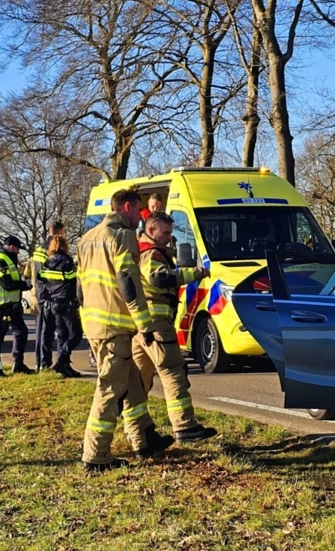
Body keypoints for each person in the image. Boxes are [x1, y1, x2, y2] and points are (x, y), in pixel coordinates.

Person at [77, 188, 174, 471]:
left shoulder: (87, 238)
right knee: (110, 389)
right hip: (115, 326)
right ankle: (96, 455)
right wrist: (145, 326)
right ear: (127, 207)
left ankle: (144, 437)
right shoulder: (122, 235)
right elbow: (128, 284)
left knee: (132, 384)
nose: (141, 218)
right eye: (138, 211)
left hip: (94, 325)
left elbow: (80, 289)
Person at [129, 211, 218, 444]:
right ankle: (185, 426)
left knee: (140, 380)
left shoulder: (138, 250)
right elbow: (159, 279)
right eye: (166, 232)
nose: (170, 237)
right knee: (173, 371)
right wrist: (196, 273)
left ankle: (137, 432)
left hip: (139, 326)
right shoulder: (151, 253)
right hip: (156, 324)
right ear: (151, 230)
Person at [36, 224, 83, 377]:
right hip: (67, 303)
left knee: (61, 334)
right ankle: (61, 359)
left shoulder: (47, 262)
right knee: (75, 335)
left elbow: (40, 278)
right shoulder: (67, 261)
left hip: (52, 303)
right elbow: (74, 280)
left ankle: (63, 365)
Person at [0, 235, 33, 377]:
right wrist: (25, 285)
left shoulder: (6, 259)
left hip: (12, 307)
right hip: (1, 308)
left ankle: (18, 364)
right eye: (17, 250)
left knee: (22, 331)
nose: (18, 253)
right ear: (12, 247)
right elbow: (7, 285)